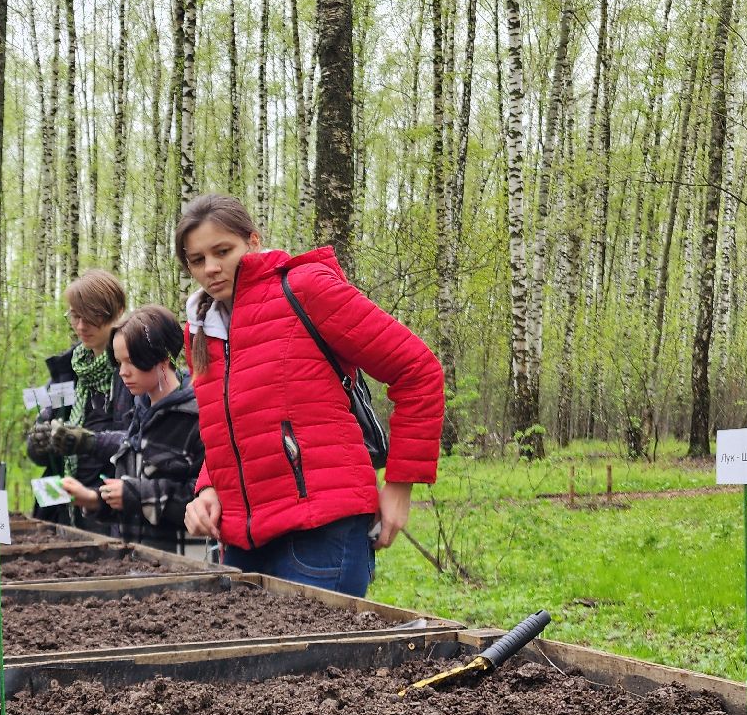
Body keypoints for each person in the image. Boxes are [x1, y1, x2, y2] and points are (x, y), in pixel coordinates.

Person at [177, 193, 444, 597]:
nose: (211, 268)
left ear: (252, 241)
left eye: (223, 251)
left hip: (322, 532)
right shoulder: (201, 330)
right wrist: (208, 486)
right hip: (242, 542)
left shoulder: (303, 289)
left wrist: (399, 486)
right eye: (198, 260)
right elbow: (228, 426)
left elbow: (418, 370)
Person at [63, 305, 204, 553]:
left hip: (184, 569)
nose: (123, 372)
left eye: (131, 361)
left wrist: (134, 494)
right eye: (119, 362)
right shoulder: (138, 412)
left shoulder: (196, 418)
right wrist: (95, 499)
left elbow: (204, 501)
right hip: (136, 564)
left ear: (162, 359)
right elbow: (132, 493)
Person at [25, 269, 136, 526]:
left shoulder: (134, 369)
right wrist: (39, 442)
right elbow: (40, 452)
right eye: (75, 316)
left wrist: (87, 442)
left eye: (91, 317)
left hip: (113, 506)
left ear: (117, 312)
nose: (81, 326)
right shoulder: (67, 371)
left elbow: (144, 443)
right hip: (63, 505)